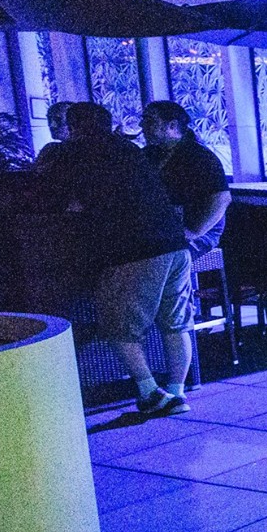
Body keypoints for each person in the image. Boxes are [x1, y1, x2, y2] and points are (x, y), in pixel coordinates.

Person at [40, 101, 198, 415]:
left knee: (119, 328)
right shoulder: (130, 150)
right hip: (174, 244)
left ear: (74, 127)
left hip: (132, 249)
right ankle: (177, 393)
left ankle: (150, 393)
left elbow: (54, 198)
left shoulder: (74, 154)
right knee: (176, 324)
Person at [141, 100, 230, 257]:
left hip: (201, 233)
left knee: (159, 255)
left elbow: (221, 198)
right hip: (165, 229)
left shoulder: (199, 156)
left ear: (172, 125)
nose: (142, 125)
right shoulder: (149, 154)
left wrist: (194, 232)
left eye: (150, 120)